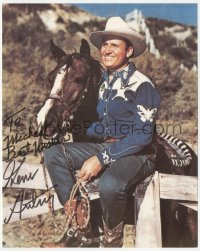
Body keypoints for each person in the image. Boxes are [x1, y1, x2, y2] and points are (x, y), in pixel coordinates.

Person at [42, 16, 160, 247]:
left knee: (110, 184)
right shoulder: (103, 84)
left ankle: (111, 241)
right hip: (106, 145)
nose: (106, 49)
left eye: (114, 45)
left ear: (129, 51)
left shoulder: (142, 84)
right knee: (54, 154)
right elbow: (103, 127)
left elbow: (143, 134)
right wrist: (70, 126)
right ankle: (83, 231)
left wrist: (100, 158)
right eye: (104, 45)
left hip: (139, 152)